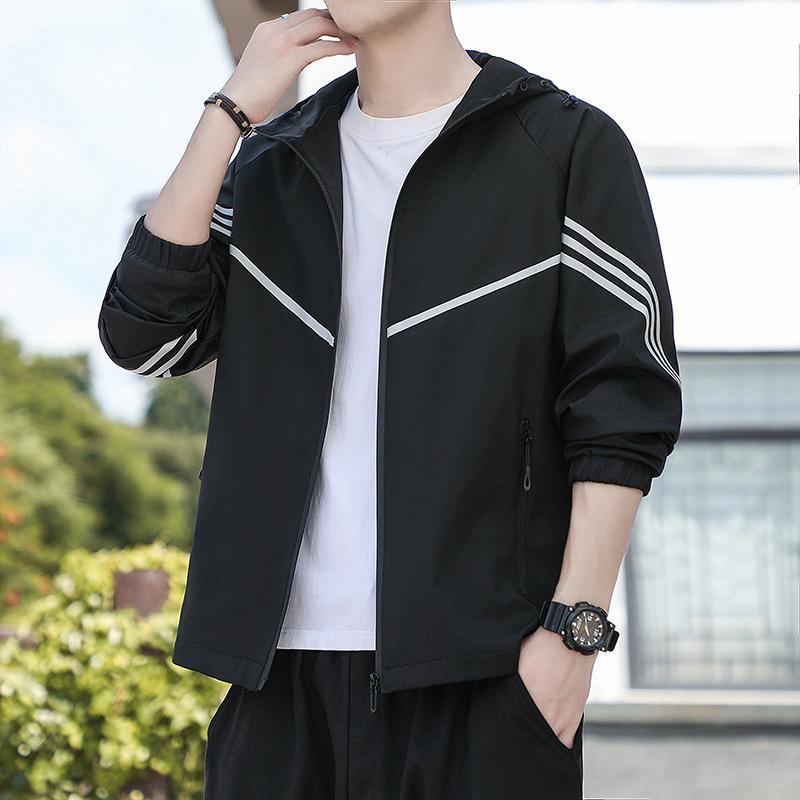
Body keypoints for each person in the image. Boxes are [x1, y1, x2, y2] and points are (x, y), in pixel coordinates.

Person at [97, 2, 682, 798]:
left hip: (484, 677)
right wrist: (228, 113)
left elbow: (623, 408)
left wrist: (572, 642)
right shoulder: (272, 162)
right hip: (278, 687)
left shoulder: (562, 146)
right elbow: (144, 337)